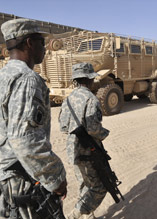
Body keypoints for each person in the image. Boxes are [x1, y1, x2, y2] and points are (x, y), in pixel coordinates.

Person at [0, 18, 67, 219]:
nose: (44, 48)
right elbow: (25, 140)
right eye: (41, 42)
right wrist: (56, 180)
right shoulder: (28, 80)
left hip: (4, 184)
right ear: (29, 43)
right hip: (23, 185)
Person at [59, 63, 109, 219]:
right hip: (88, 151)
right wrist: (104, 133)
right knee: (99, 187)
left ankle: (88, 216)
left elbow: (63, 126)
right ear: (89, 80)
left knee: (84, 184)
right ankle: (76, 213)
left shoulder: (68, 99)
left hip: (72, 150)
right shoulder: (91, 99)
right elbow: (93, 129)